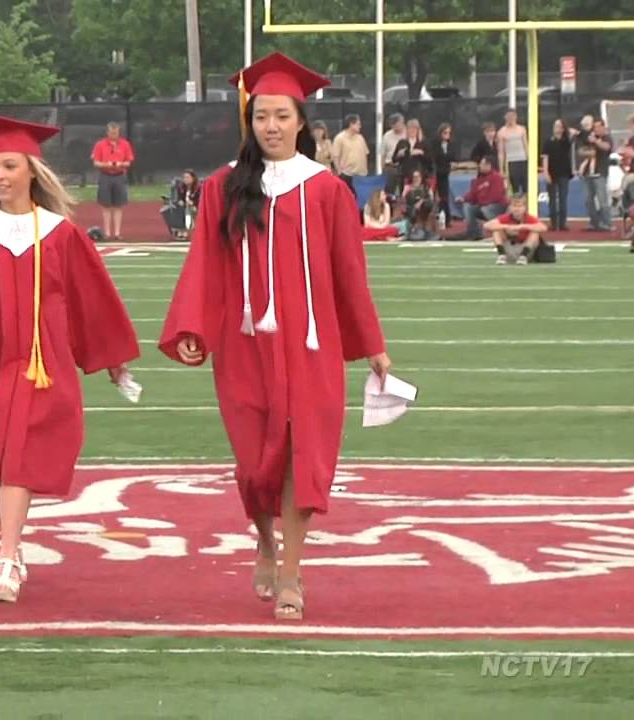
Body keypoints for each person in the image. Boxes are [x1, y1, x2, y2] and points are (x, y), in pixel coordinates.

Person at [158, 52, 389, 621]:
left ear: (301, 122)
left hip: (311, 346)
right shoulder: (225, 188)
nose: (271, 126)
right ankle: (264, 539)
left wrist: (373, 344)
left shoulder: (330, 192)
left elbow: (348, 273)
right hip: (245, 347)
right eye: (261, 115)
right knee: (255, 461)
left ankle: (292, 571)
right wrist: (191, 326)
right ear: (250, 120)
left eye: (282, 115)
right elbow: (204, 265)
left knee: (300, 455)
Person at [0, 116, 140, 602]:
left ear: (32, 171)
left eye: (9, 166)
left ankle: (5, 558)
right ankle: (14, 544)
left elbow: (91, 298)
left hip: (41, 361)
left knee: (20, 449)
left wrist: (112, 357)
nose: (0, 176)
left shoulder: (60, 233)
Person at [91, 122, 135, 240]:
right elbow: (95, 162)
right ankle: (107, 232)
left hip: (119, 175)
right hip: (105, 175)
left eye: (116, 132)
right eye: (112, 132)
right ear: (107, 132)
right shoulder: (100, 145)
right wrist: (106, 164)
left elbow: (129, 161)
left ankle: (117, 232)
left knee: (118, 205)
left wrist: (120, 164)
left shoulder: (125, 144)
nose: (114, 134)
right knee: (106, 205)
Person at [454, 155, 509, 240]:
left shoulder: (497, 177)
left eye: (482, 164)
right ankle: (474, 232)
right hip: (483, 206)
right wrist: (463, 198)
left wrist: (482, 203)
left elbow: (496, 196)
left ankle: (499, 230)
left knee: (486, 209)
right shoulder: (479, 179)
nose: (480, 166)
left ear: (489, 165)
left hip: (497, 206)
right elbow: (472, 193)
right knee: (467, 207)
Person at [485, 194, 548, 265]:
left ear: (525, 208)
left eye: (519, 206)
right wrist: (506, 227)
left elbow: (543, 227)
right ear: (510, 207)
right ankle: (501, 255)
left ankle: (523, 257)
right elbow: (487, 225)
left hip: (525, 249)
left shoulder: (529, 218)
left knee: (535, 232)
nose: (517, 209)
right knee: (496, 230)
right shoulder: (506, 217)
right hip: (510, 248)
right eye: (514, 206)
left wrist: (521, 227)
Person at [541, 118, 574, 232]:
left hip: (564, 173)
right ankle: (553, 223)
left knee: (563, 198)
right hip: (552, 172)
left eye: (559, 126)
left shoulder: (566, 141)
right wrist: (545, 172)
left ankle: (562, 223)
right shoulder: (548, 142)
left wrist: (566, 130)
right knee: (552, 199)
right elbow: (545, 157)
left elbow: (573, 133)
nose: (557, 128)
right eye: (555, 126)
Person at [497, 109, 528, 193]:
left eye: (512, 116)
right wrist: (501, 169)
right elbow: (501, 152)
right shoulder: (501, 132)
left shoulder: (522, 129)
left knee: (527, 186)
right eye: (509, 116)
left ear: (516, 117)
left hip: (523, 160)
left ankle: (527, 203)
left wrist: (529, 161)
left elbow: (526, 146)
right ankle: (515, 203)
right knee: (514, 188)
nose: (511, 118)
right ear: (505, 117)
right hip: (511, 161)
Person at [432, 123, 456, 227]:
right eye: (445, 133)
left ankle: (447, 218)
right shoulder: (435, 144)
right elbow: (435, 157)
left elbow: (453, 156)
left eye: (449, 133)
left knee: (444, 197)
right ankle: (434, 218)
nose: (447, 135)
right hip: (436, 172)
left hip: (446, 172)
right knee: (435, 196)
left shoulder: (452, 145)